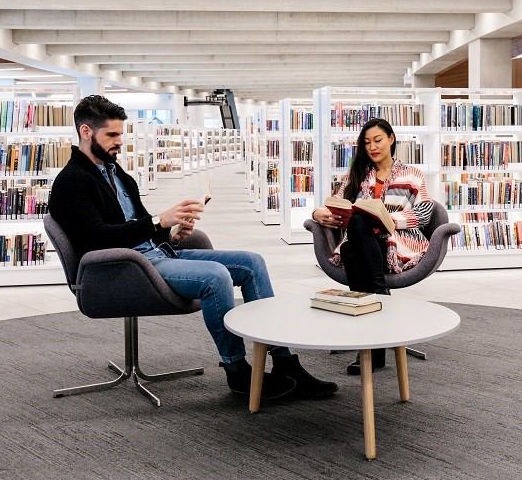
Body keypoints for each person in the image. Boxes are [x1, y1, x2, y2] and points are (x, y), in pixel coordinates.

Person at [49, 95, 337, 401]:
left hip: (155, 255)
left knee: (252, 262)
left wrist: (171, 233)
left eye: (121, 134)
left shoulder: (117, 173)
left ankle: (285, 363)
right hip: (122, 269)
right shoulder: (72, 182)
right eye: (112, 135)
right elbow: (97, 239)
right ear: (85, 132)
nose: (120, 142)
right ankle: (237, 371)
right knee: (216, 277)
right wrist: (160, 221)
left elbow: (139, 225)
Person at [311, 118, 433, 375]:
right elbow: (336, 203)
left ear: (391, 138)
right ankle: (379, 308)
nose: (372, 147)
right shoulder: (357, 175)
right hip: (361, 241)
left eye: (377, 140)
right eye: (367, 143)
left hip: (396, 241)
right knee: (356, 226)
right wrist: (317, 213)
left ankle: (370, 348)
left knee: (352, 245)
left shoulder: (412, 174)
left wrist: (388, 220)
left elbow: (423, 214)